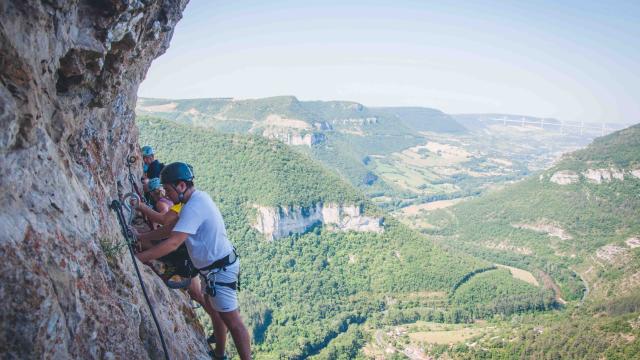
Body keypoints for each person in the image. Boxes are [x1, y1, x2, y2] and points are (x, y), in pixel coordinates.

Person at [135, 162, 251, 360]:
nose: (166, 194)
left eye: (168, 189)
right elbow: (169, 229)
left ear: (181, 186)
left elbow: (172, 243)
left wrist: (137, 258)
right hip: (213, 269)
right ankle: (220, 354)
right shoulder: (192, 202)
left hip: (219, 269)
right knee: (215, 312)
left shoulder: (194, 207)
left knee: (233, 321)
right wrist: (140, 237)